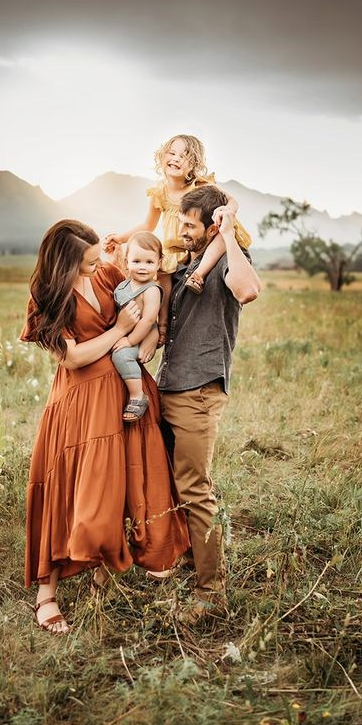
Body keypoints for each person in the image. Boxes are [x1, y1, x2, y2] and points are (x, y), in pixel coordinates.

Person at [20, 219, 189, 634]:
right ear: (67, 263)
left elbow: (151, 294)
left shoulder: (109, 274)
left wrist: (149, 339)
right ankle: (47, 593)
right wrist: (119, 331)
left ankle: (105, 571)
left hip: (125, 396)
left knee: (126, 483)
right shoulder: (46, 295)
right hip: (80, 402)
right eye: (91, 261)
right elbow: (73, 358)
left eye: (100, 257)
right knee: (69, 488)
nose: (100, 265)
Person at [153, 184, 261, 623]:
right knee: (173, 483)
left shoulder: (228, 260)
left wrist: (229, 233)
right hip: (169, 385)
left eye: (190, 225)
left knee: (195, 489)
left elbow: (248, 290)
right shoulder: (189, 264)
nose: (183, 230)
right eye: (181, 222)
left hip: (198, 390)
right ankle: (188, 559)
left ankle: (210, 592)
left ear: (212, 226)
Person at [102, 134, 251, 344]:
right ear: (162, 157)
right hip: (175, 247)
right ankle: (162, 325)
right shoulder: (160, 193)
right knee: (163, 277)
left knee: (222, 234)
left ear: (194, 165)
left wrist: (228, 211)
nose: (176, 159)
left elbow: (232, 200)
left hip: (201, 244)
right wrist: (120, 238)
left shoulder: (201, 187)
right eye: (172, 153)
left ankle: (199, 274)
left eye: (184, 156)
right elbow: (148, 225)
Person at [111, 231, 164, 422]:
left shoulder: (151, 290)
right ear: (127, 262)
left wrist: (129, 340)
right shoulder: (124, 285)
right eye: (136, 261)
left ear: (159, 263)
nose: (142, 267)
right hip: (124, 331)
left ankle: (137, 395)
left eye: (149, 262)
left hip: (139, 336)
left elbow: (148, 320)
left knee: (121, 356)